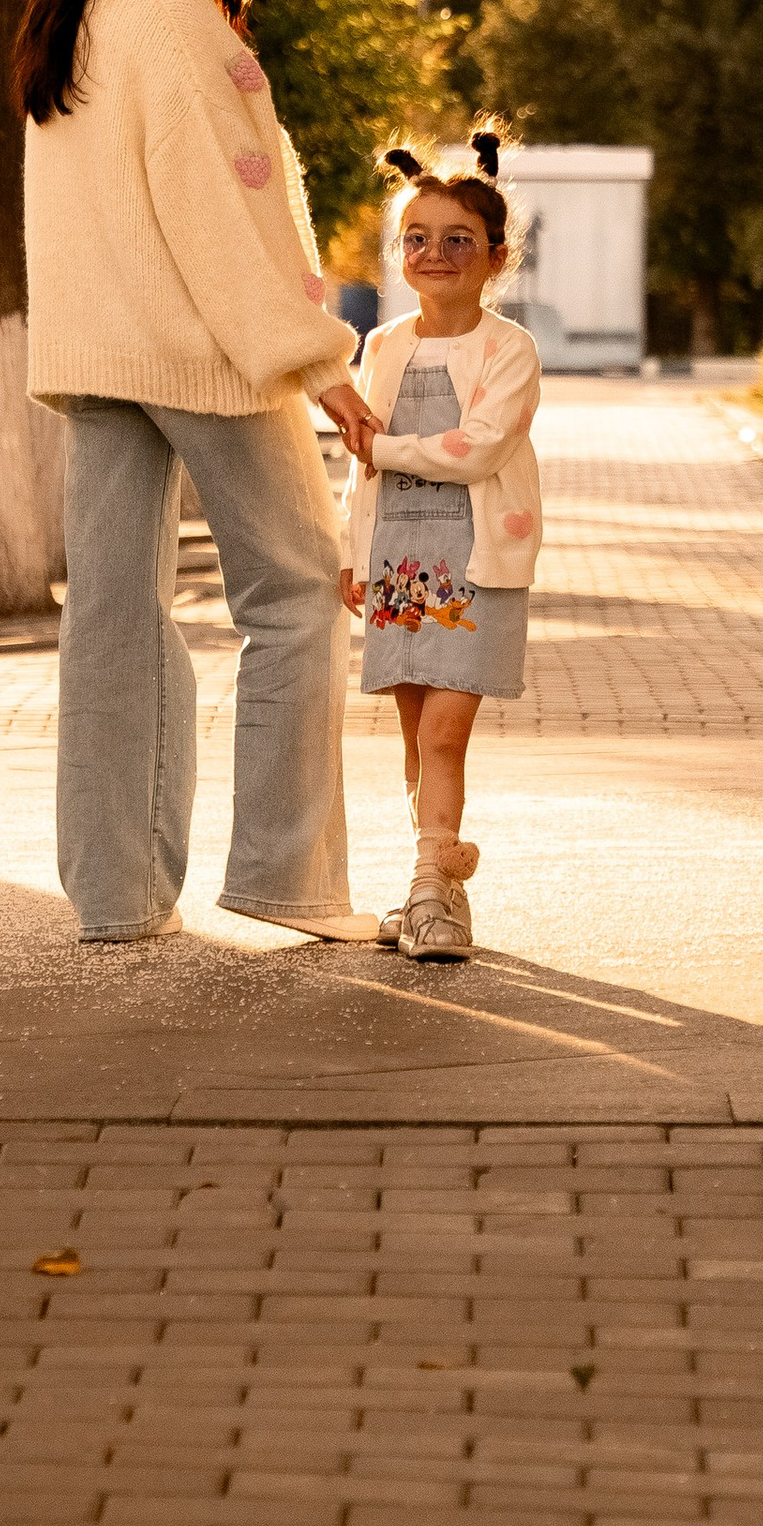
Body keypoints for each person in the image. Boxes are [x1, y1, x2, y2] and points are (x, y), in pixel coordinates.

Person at [15, 0, 378, 943]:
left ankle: (116, 900)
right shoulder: (173, 20)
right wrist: (319, 364)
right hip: (204, 353)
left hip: (102, 358)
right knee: (299, 599)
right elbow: (222, 223)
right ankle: (288, 878)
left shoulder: (74, 16)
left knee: (112, 623)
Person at [338, 143, 543, 962]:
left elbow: (475, 449)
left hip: (475, 563)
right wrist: (355, 554)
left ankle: (431, 888)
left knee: (446, 736)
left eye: (458, 239)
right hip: (397, 566)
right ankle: (437, 881)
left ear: (497, 256)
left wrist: (381, 449)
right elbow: (360, 482)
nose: (434, 254)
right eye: (416, 237)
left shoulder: (510, 351)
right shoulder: (383, 345)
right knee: (414, 735)